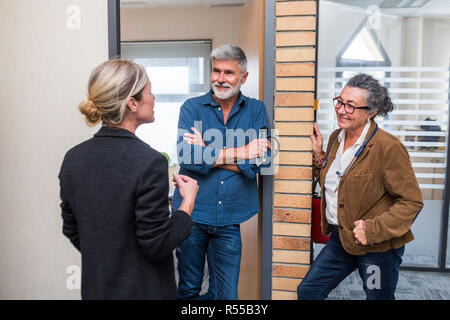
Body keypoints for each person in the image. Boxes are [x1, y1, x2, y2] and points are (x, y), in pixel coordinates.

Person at [58, 59, 199, 299]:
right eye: (150, 92)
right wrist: (187, 203)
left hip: (97, 290)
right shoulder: (150, 162)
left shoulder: (72, 158)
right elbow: (158, 245)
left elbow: (72, 229)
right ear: (132, 103)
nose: (153, 98)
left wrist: (108, 258)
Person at [297, 73, 424, 300]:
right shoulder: (336, 137)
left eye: (351, 106)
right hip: (339, 241)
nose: (341, 110)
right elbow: (337, 182)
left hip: (376, 250)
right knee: (308, 291)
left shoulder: (388, 147)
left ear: (371, 112)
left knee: (377, 297)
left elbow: (411, 202)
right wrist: (319, 157)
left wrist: (372, 230)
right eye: (340, 101)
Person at [172, 44, 271, 300]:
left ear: (243, 77)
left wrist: (207, 151)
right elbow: (186, 156)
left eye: (228, 72)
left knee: (225, 296)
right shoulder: (191, 108)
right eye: (216, 71)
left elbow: (263, 160)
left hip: (230, 217)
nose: (220, 78)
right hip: (192, 214)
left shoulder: (256, 110)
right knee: (188, 289)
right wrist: (243, 151)